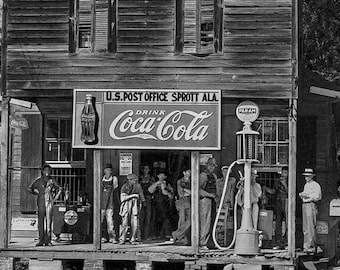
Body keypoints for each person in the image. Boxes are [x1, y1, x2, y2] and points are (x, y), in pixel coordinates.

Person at [28, 164, 62, 246]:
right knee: (40, 222)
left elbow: (59, 188)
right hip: (40, 202)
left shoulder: (52, 180)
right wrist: (36, 193)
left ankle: (48, 240)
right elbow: (30, 188)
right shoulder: (38, 181)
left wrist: (55, 198)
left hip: (49, 202)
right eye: (45, 170)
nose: (47, 172)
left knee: (49, 221)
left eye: (49, 170)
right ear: (42, 171)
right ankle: (41, 240)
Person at [263, 166, 289, 249]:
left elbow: (290, 192)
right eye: (283, 172)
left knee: (288, 221)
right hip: (278, 201)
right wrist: (266, 189)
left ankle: (287, 241)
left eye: (285, 173)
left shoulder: (290, 181)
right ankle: (278, 242)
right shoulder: (277, 181)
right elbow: (274, 192)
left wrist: (285, 184)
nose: (284, 174)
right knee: (278, 221)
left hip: (287, 201)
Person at [299, 168, 322, 253]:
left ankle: (311, 245)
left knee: (310, 225)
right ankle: (306, 246)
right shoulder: (306, 185)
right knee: (306, 226)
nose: (306, 178)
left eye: (308, 176)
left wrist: (307, 196)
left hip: (311, 204)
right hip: (305, 205)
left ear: (312, 176)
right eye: (305, 176)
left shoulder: (315, 185)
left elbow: (317, 197)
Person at [119, 174, 145, 245]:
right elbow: (122, 198)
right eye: (133, 180)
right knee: (125, 223)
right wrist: (133, 195)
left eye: (135, 179)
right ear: (129, 180)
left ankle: (134, 238)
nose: (135, 181)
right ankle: (122, 238)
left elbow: (142, 197)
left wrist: (141, 205)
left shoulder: (138, 186)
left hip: (135, 206)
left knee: (135, 223)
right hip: (126, 206)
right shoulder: (124, 187)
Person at [148, 171, 174, 240]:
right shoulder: (155, 184)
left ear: (165, 177)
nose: (161, 177)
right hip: (155, 203)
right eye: (160, 176)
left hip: (165, 204)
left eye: (163, 176)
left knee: (166, 219)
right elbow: (150, 190)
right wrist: (157, 183)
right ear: (158, 176)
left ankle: (168, 235)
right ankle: (154, 235)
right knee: (154, 219)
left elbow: (170, 195)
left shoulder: (168, 184)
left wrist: (163, 188)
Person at [199, 158, 218, 248]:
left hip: (212, 201)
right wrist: (210, 195)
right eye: (210, 165)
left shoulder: (214, 176)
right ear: (207, 165)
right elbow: (199, 190)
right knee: (205, 222)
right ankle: (202, 243)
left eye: (213, 166)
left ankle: (208, 242)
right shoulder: (203, 175)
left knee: (210, 222)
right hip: (205, 201)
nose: (212, 167)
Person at [100, 163, 119, 244]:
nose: (109, 171)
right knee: (102, 220)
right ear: (104, 171)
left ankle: (112, 237)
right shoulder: (102, 179)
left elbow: (115, 190)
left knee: (110, 221)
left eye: (110, 170)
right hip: (102, 203)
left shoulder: (114, 179)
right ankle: (103, 237)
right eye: (107, 170)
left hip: (110, 202)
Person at [171, 168, 191, 245]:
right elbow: (182, 194)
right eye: (188, 171)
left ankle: (177, 234)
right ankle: (182, 239)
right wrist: (189, 192)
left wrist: (186, 190)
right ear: (184, 172)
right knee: (182, 220)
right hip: (182, 202)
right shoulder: (180, 181)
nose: (189, 173)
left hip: (190, 201)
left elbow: (192, 191)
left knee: (190, 220)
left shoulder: (193, 180)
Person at [139, 165, 155, 240]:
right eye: (144, 169)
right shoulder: (140, 178)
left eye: (147, 168)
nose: (146, 170)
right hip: (141, 198)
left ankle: (147, 235)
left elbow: (154, 188)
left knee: (148, 216)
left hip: (149, 198)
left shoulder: (151, 178)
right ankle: (140, 235)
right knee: (141, 216)